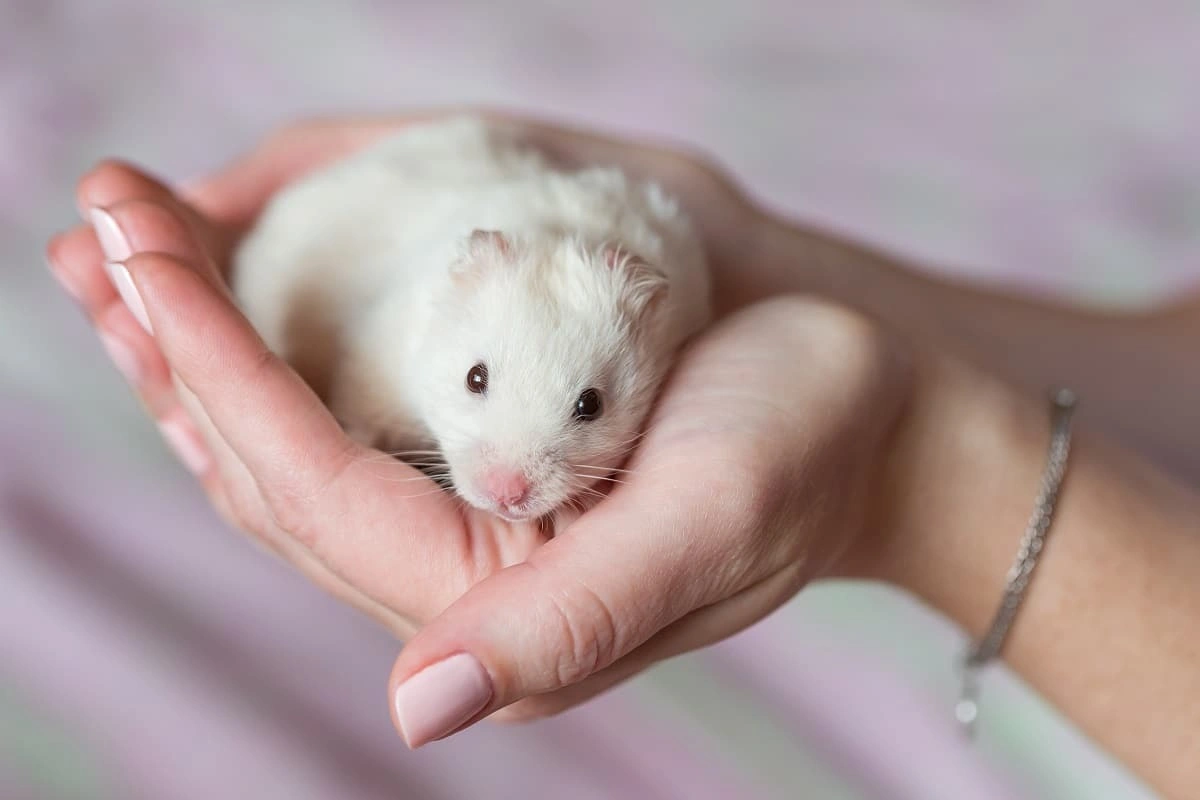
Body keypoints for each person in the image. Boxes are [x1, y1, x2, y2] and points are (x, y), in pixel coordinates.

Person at [45, 110, 1200, 799]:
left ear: (655, 335)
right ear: (452, 321)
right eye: (482, 386)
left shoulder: (648, 287)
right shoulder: (439, 296)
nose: (510, 477)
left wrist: (920, 467)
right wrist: (805, 278)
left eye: (591, 406)